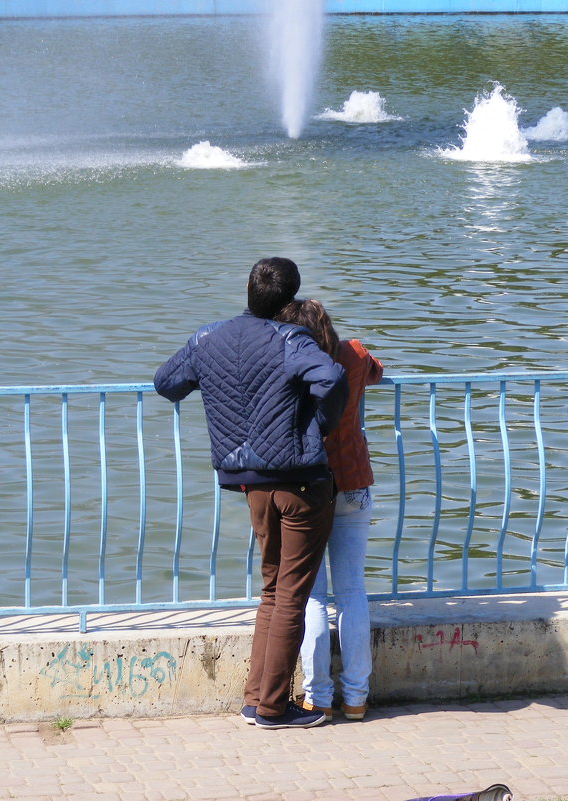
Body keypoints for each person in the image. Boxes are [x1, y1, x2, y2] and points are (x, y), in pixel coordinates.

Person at [153, 257, 348, 730]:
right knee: (291, 598)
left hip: (251, 485)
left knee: (271, 591)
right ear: (292, 298)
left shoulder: (207, 338)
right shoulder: (290, 338)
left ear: (249, 292)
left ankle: (256, 700)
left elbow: (166, 383)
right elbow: (332, 379)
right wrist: (316, 425)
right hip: (301, 483)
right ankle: (274, 708)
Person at [274, 299, 383, 722]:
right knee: (352, 592)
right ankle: (356, 697)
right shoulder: (352, 354)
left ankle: (317, 697)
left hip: (307, 485)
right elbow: (375, 368)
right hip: (354, 480)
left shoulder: (289, 359)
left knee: (313, 595)